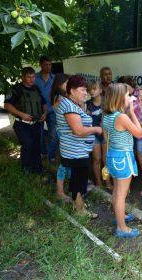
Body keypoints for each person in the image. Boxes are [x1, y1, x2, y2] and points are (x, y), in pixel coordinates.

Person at [56, 75, 102, 217]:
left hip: (77, 151)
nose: (85, 93)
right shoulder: (69, 106)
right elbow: (78, 130)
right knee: (79, 180)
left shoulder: (71, 103)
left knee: (78, 179)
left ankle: (79, 203)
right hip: (75, 152)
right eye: (82, 90)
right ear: (72, 90)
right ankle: (80, 210)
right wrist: (96, 129)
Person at [102, 83, 142, 238]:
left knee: (117, 191)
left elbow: (107, 135)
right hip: (123, 157)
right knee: (121, 194)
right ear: (120, 98)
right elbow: (139, 133)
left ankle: (119, 217)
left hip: (112, 155)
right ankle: (122, 228)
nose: (129, 97)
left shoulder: (107, 115)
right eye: (127, 95)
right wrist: (132, 112)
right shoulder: (122, 117)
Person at [4, 67, 47, 174]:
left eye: (33, 77)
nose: (32, 79)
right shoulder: (16, 89)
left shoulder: (36, 89)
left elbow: (44, 103)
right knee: (28, 144)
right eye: (29, 77)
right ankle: (26, 169)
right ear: (22, 77)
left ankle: (38, 170)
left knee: (37, 146)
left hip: (36, 124)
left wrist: (45, 113)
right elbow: (7, 105)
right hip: (21, 124)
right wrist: (21, 114)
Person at [50, 73, 72, 202]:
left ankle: (69, 186)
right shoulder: (61, 99)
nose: (69, 85)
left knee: (67, 162)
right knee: (64, 163)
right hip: (65, 133)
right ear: (59, 84)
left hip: (64, 132)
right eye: (66, 83)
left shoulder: (59, 97)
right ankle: (60, 191)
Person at [35, 55, 56, 162]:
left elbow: (58, 96)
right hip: (38, 111)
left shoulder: (54, 79)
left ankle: (51, 155)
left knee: (53, 134)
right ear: (40, 65)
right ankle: (43, 152)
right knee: (40, 134)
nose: (48, 67)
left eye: (50, 64)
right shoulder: (35, 78)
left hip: (52, 111)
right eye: (45, 65)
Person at [86, 81, 104, 188]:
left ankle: (107, 181)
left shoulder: (106, 102)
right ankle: (98, 182)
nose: (91, 91)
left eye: (94, 89)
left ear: (100, 90)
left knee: (105, 160)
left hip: (105, 134)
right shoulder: (87, 104)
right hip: (93, 134)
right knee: (96, 159)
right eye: (89, 89)